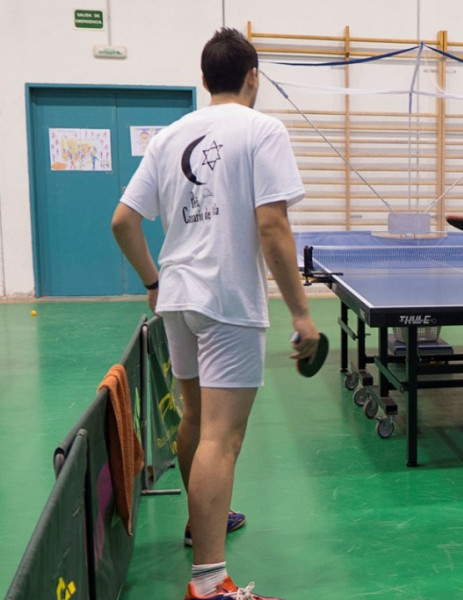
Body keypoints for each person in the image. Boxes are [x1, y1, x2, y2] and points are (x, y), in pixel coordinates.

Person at [111, 28, 321, 600]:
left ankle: (200, 521)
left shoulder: (169, 136)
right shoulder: (262, 129)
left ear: (205, 79)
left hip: (179, 297)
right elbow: (273, 225)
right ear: (253, 77)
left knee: (196, 425)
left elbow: (123, 222)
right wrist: (302, 315)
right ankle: (210, 585)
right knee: (221, 440)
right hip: (228, 300)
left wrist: (153, 283)